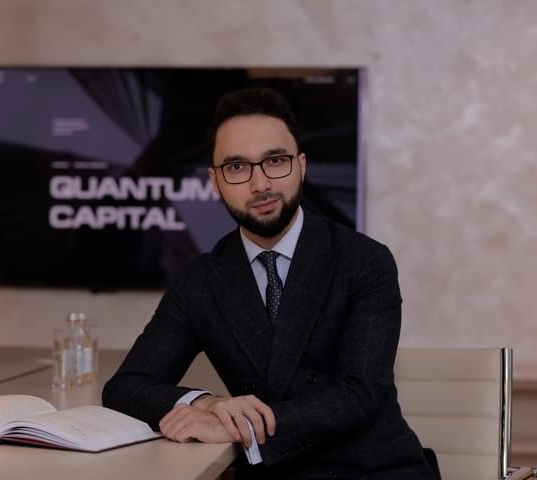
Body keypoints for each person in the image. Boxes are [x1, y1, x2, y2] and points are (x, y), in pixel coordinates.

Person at [102, 88, 438, 479]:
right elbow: (125, 387)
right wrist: (207, 404)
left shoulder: (364, 261)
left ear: (301, 166)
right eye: (237, 167)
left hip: (371, 470)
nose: (260, 184)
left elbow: (358, 394)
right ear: (214, 181)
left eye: (275, 161)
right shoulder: (200, 279)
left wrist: (240, 428)